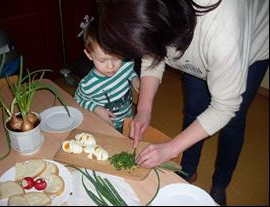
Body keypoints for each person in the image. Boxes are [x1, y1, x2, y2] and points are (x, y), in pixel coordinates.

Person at [97, 0, 269, 205]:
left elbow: (224, 107)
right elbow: (153, 58)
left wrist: (170, 149)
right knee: (194, 108)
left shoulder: (223, 34)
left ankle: (220, 183)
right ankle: (187, 170)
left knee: (233, 122)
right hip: (194, 41)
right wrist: (143, 110)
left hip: (252, 45)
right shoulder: (156, 17)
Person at [74, 16, 140, 133]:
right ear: (89, 55)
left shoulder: (127, 63)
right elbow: (78, 99)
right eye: (102, 60)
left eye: (116, 58)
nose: (111, 66)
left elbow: (128, 71)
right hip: (105, 126)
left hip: (128, 121)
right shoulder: (89, 84)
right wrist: (96, 108)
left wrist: (134, 78)